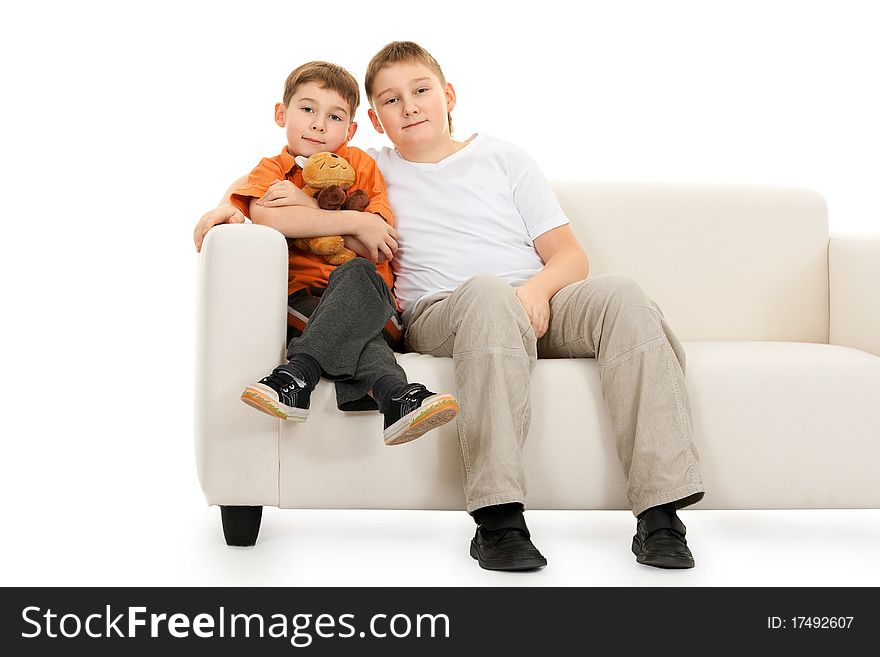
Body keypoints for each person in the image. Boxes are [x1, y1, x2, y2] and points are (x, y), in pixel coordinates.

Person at [195, 44, 705, 572]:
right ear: (372, 121)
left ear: (448, 95)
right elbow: (274, 174)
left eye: (421, 91)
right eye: (391, 100)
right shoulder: (371, 167)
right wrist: (224, 206)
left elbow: (570, 257)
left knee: (624, 295)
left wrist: (533, 293)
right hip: (449, 311)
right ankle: (499, 518)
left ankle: (661, 512)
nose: (410, 106)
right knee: (486, 293)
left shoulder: (506, 158)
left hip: (535, 299)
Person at [225, 60, 458, 446]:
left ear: (350, 129)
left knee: (357, 275)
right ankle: (395, 396)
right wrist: (354, 221)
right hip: (305, 302)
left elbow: (376, 242)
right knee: (346, 329)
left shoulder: (361, 166)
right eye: (307, 109)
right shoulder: (273, 168)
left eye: (334, 116)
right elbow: (268, 216)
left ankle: (297, 374)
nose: (319, 124)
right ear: (281, 114)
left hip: (374, 303)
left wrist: (308, 209)